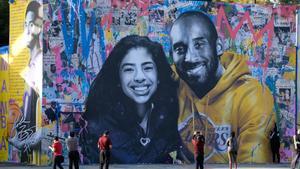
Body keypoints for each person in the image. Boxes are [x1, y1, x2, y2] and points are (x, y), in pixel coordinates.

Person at [169, 11, 275, 163]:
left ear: (218, 47)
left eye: (199, 44)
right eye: (179, 49)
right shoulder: (171, 80)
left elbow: (253, 164)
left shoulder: (251, 95)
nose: (189, 58)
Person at [84, 35, 181, 163]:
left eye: (147, 68)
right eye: (129, 69)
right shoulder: (101, 126)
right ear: (118, 78)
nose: (139, 77)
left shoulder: (171, 116)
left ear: (158, 76)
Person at [8, 0, 43, 151]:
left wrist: (26, 142)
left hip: (34, 145)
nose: (28, 29)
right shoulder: (30, 65)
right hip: (27, 144)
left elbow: (45, 110)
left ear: (41, 28)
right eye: (26, 24)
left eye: (32, 24)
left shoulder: (40, 63)